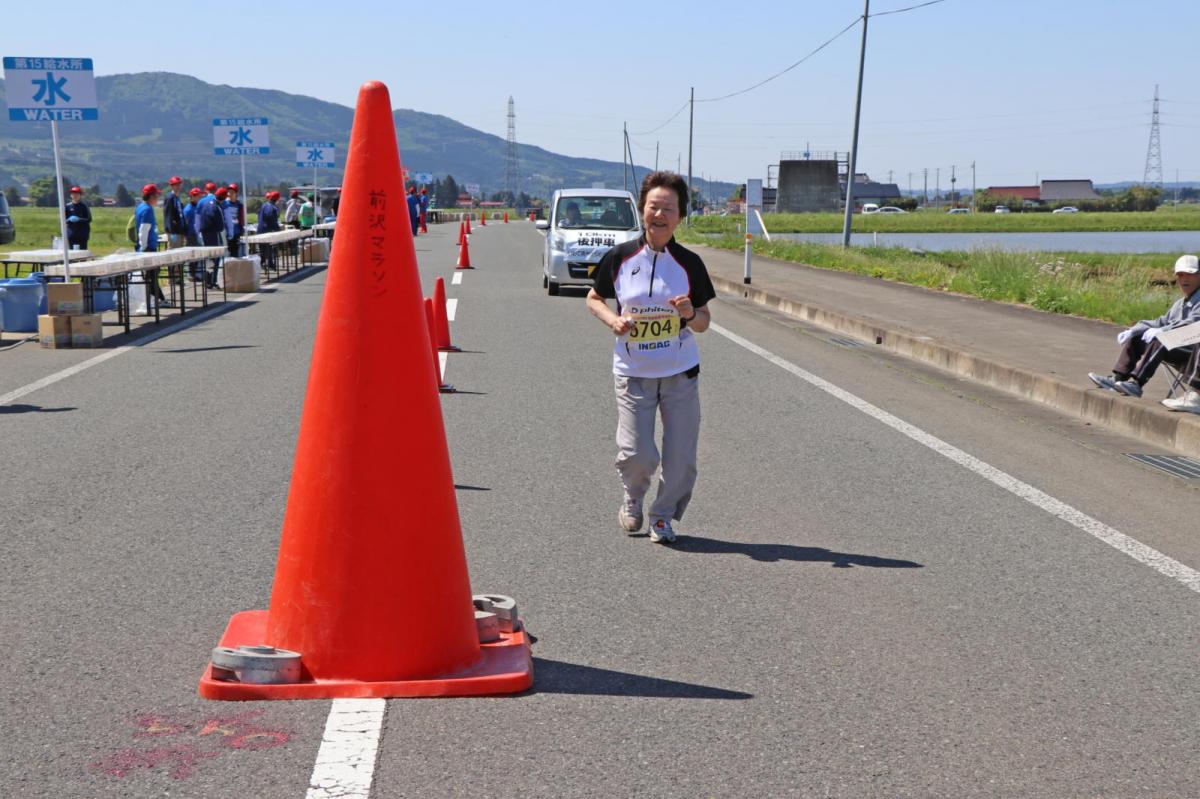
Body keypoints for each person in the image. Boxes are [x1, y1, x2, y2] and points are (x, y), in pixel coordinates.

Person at [586, 171, 715, 544]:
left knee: (681, 459)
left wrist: (690, 313)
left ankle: (663, 517)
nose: (659, 214)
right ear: (642, 209)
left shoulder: (690, 264)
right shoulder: (621, 257)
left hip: (680, 373)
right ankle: (633, 497)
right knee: (638, 452)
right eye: (653, 206)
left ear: (680, 216)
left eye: (668, 209)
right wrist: (613, 319)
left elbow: (704, 322)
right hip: (633, 372)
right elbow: (594, 299)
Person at [1089, 253, 1200, 407]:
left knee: (1162, 338)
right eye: (1180, 275)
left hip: (1193, 353)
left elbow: (1193, 324)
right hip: (1177, 346)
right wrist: (1135, 329)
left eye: (1190, 274)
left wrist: (1164, 331)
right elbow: (1161, 321)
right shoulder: (1180, 303)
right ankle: (1118, 379)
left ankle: (1137, 384)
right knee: (1138, 337)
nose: (1184, 279)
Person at [135, 185, 170, 306]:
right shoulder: (147, 210)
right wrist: (144, 248)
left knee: (152, 275)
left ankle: (159, 299)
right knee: (152, 276)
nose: (158, 198)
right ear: (151, 196)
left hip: (148, 246)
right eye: (156, 196)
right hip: (148, 248)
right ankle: (158, 299)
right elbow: (143, 230)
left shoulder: (142, 207)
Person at [196, 186, 227, 288]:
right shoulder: (216, 206)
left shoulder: (205, 203)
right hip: (213, 234)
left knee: (209, 258)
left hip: (204, 233)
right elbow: (221, 223)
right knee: (214, 258)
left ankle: (208, 280)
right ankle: (212, 281)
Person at [257, 191, 281, 273]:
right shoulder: (272, 207)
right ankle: (269, 264)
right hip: (267, 230)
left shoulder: (264, 205)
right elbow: (271, 219)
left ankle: (263, 263)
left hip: (260, 229)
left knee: (262, 248)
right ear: (277, 199)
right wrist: (277, 229)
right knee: (269, 247)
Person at [162, 176, 187, 248]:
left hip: (180, 230)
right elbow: (168, 215)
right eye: (176, 184)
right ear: (172, 186)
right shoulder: (170, 198)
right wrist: (171, 232)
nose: (178, 186)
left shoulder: (177, 198)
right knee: (174, 251)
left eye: (179, 184)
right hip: (174, 232)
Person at [64, 186, 92, 250]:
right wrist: (68, 220)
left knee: (82, 251)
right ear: (71, 195)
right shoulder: (67, 206)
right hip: (71, 233)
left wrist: (79, 219)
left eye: (77, 194)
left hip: (82, 233)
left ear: (80, 195)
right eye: (73, 194)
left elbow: (89, 219)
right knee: (71, 251)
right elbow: (64, 219)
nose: (75, 195)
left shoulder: (84, 206)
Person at [224, 183, 245, 257]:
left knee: (235, 252)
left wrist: (242, 227)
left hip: (236, 231)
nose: (229, 194)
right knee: (227, 252)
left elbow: (241, 217)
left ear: (236, 193)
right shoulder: (224, 203)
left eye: (232, 192)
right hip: (227, 232)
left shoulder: (239, 205)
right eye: (228, 191)